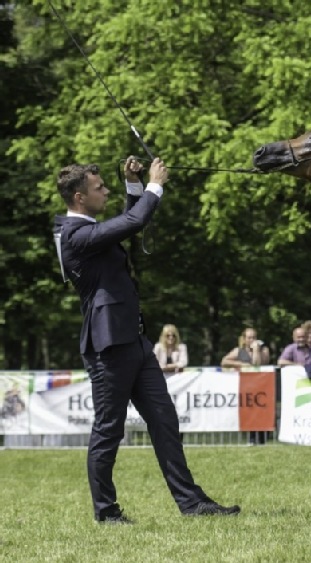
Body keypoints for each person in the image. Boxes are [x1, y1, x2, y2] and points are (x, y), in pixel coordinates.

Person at [53, 156, 239, 523]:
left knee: (164, 420)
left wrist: (133, 184)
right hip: (108, 347)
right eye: (98, 188)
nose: (104, 191)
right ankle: (106, 513)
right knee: (109, 430)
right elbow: (133, 221)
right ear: (78, 197)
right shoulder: (74, 235)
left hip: (134, 342)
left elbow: (125, 225)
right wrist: (155, 185)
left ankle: (192, 503)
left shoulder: (87, 230)